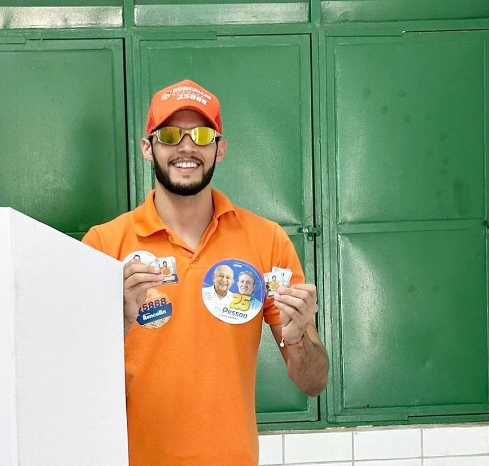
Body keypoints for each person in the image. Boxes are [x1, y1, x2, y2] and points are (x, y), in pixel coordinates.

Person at [82, 79, 328, 466]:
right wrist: (119, 322)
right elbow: (72, 383)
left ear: (220, 148)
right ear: (148, 148)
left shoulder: (267, 241)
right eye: (169, 134)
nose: (186, 147)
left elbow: (313, 382)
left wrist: (298, 340)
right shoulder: (104, 245)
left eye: (200, 135)